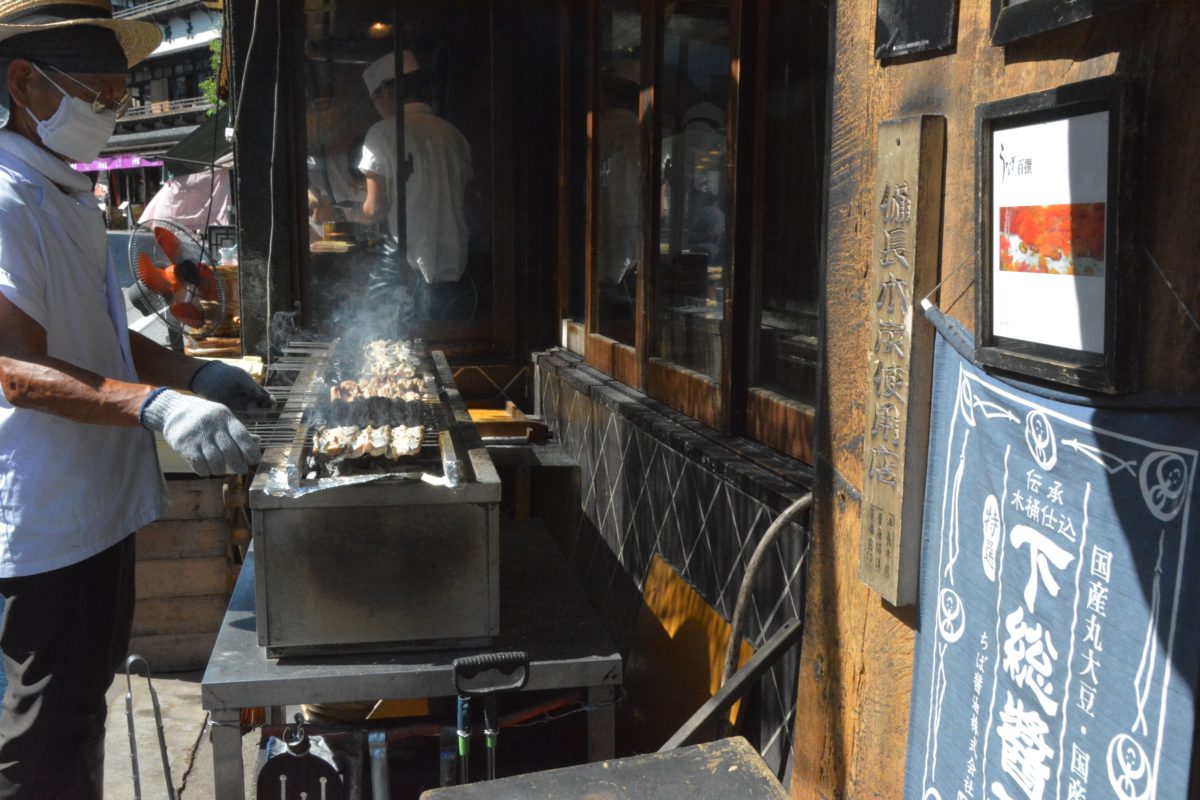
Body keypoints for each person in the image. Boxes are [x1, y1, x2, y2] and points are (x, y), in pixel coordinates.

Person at [0, 3, 267, 795]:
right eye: (99, 96)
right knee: (39, 737)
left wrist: (192, 375)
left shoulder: (67, 193)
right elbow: (12, 366)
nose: (112, 114)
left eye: (121, 98)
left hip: (99, 508)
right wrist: (157, 407)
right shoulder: (7, 197)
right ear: (24, 83)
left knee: (83, 708)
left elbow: (105, 335)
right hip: (44, 519)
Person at [359, 50, 473, 322]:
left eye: (375, 97)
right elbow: (466, 200)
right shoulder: (454, 135)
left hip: (402, 269)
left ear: (388, 91)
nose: (376, 106)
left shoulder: (381, 134)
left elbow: (375, 210)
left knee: (385, 336)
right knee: (444, 339)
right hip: (454, 267)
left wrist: (350, 212)